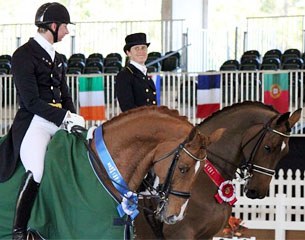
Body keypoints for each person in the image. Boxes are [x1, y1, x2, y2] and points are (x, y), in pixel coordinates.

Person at [0, 2, 84, 239]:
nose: (67, 32)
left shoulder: (59, 58)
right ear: (53, 26)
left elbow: (65, 95)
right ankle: (19, 232)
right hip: (34, 122)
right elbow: (30, 102)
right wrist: (64, 117)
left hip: (58, 120)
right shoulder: (23, 55)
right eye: (65, 27)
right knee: (36, 170)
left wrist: (73, 116)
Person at [115, 32, 157, 112]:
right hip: (137, 122)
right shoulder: (124, 75)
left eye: (143, 48)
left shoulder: (146, 76)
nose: (141, 51)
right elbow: (127, 108)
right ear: (128, 53)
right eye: (136, 48)